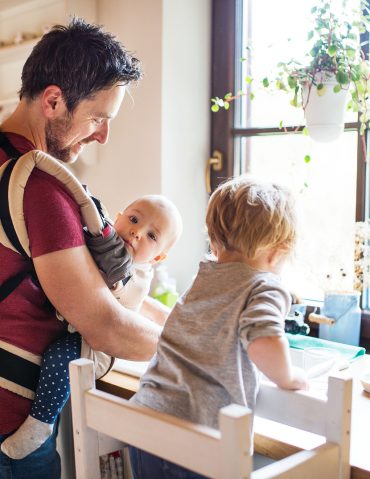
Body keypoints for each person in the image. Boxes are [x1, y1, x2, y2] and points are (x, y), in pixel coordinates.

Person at [0, 17, 162, 479]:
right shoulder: (40, 188)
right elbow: (106, 326)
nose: (103, 134)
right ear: (53, 101)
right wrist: (198, 348)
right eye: (98, 118)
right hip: (10, 438)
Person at [128, 175, 309, 479]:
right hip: (195, 435)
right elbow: (263, 341)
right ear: (276, 252)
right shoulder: (266, 286)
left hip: (144, 419)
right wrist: (290, 377)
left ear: (213, 240)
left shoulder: (206, 276)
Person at [1, 194, 183, 460]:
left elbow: (118, 305)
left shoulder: (136, 273)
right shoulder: (107, 244)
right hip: (75, 329)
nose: (136, 232)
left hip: (95, 348)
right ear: (118, 217)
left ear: (158, 257)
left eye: (152, 236)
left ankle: (41, 423)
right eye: (133, 220)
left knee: (58, 357)